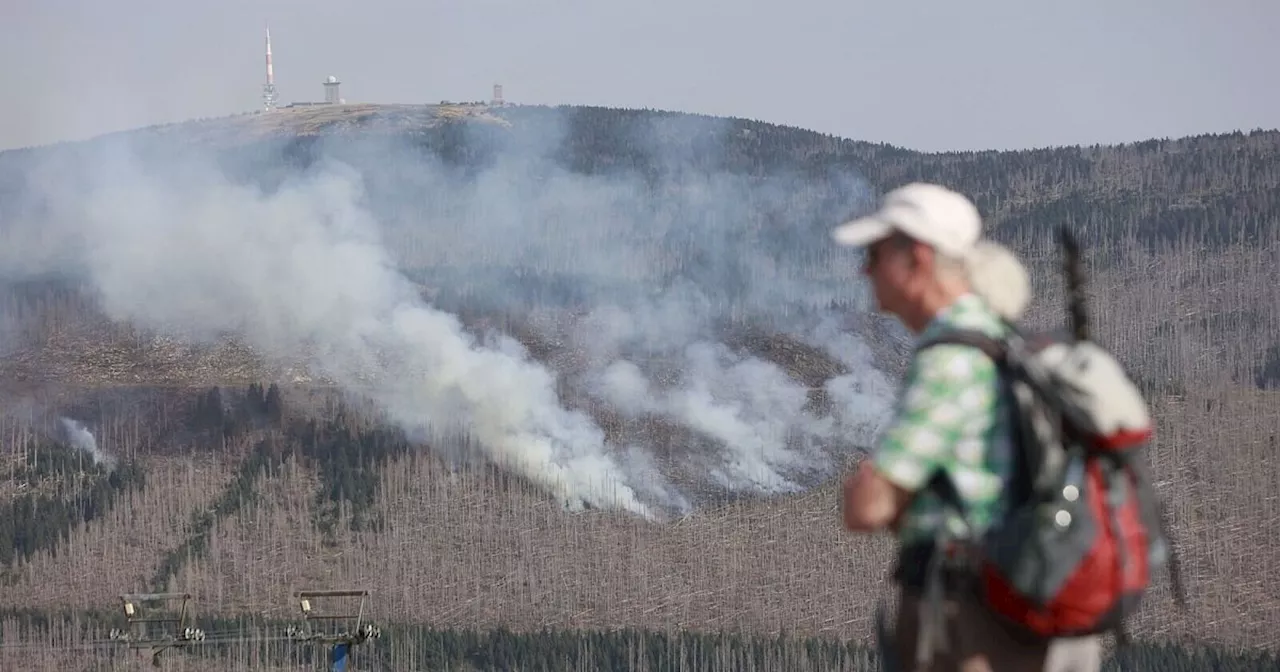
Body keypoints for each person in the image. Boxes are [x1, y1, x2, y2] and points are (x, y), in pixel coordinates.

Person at [832, 183, 1102, 671]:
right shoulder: (1001, 339)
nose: (863, 269)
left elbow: (868, 507)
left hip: (969, 620)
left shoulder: (952, 359)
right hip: (1013, 606)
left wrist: (868, 488)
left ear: (916, 257)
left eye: (874, 253)